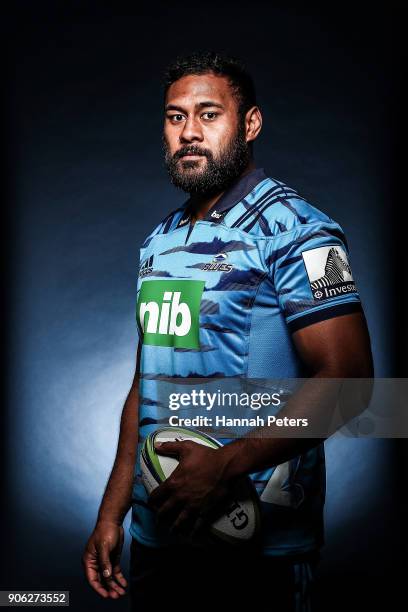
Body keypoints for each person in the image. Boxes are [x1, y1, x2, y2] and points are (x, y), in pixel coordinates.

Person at [82, 52, 373, 611]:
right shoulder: (158, 241)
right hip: (159, 540)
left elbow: (355, 382)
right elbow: (145, 383)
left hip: (256, 553)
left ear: (250, 124)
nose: (189, 131)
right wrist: (113, 511)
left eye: (208, 113)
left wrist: (226, 465)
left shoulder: (302, 230)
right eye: (174, 117)